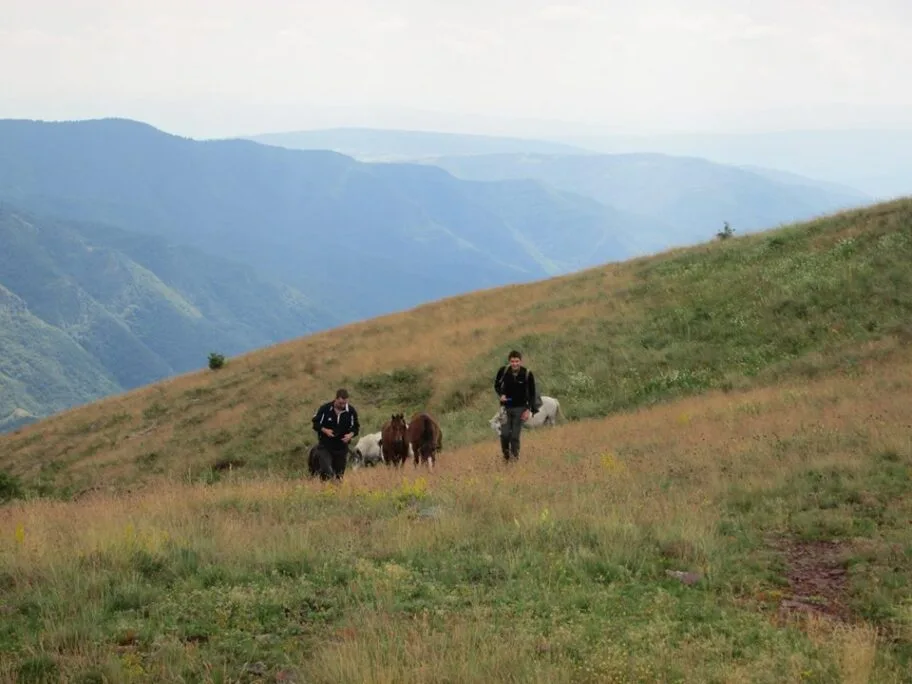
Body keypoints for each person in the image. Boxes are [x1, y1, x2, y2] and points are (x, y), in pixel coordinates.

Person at [494, 350, 537, 461]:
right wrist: (501, 394)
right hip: (505, 409)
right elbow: (496, 385)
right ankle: (506, 457)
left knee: (514, 437)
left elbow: (533, 394)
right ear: (509, 361)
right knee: (504, 435)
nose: (515, 364)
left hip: (520, 409)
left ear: (520, 361)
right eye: (512, 361)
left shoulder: (527, 374)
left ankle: (514, 460)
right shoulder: (503, 371)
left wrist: (528, 410)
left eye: (517, 361)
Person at [311, 388, 360, 480]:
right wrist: (325, 430)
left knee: (339, 475)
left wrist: (350, 435)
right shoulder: (325, 409)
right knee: (327, 470)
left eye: (344, 403)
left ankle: (335, 491)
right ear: (336, 399)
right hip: (325, 445)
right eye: (340, 403)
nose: (342, 405)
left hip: (341, 447)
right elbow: (315, 423)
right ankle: (326, 485)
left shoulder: (351, 411)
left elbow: (356, 427)